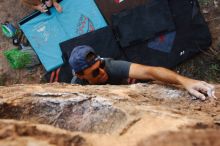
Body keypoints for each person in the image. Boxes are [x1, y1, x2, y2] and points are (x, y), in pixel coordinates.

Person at [69, 45, 217, 100]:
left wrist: (185, 81)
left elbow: (149, 72)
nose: (102, 71)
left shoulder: (110, 66)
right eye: (94, 73)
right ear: (80, 76)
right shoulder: (75, 89)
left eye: (100, 64)